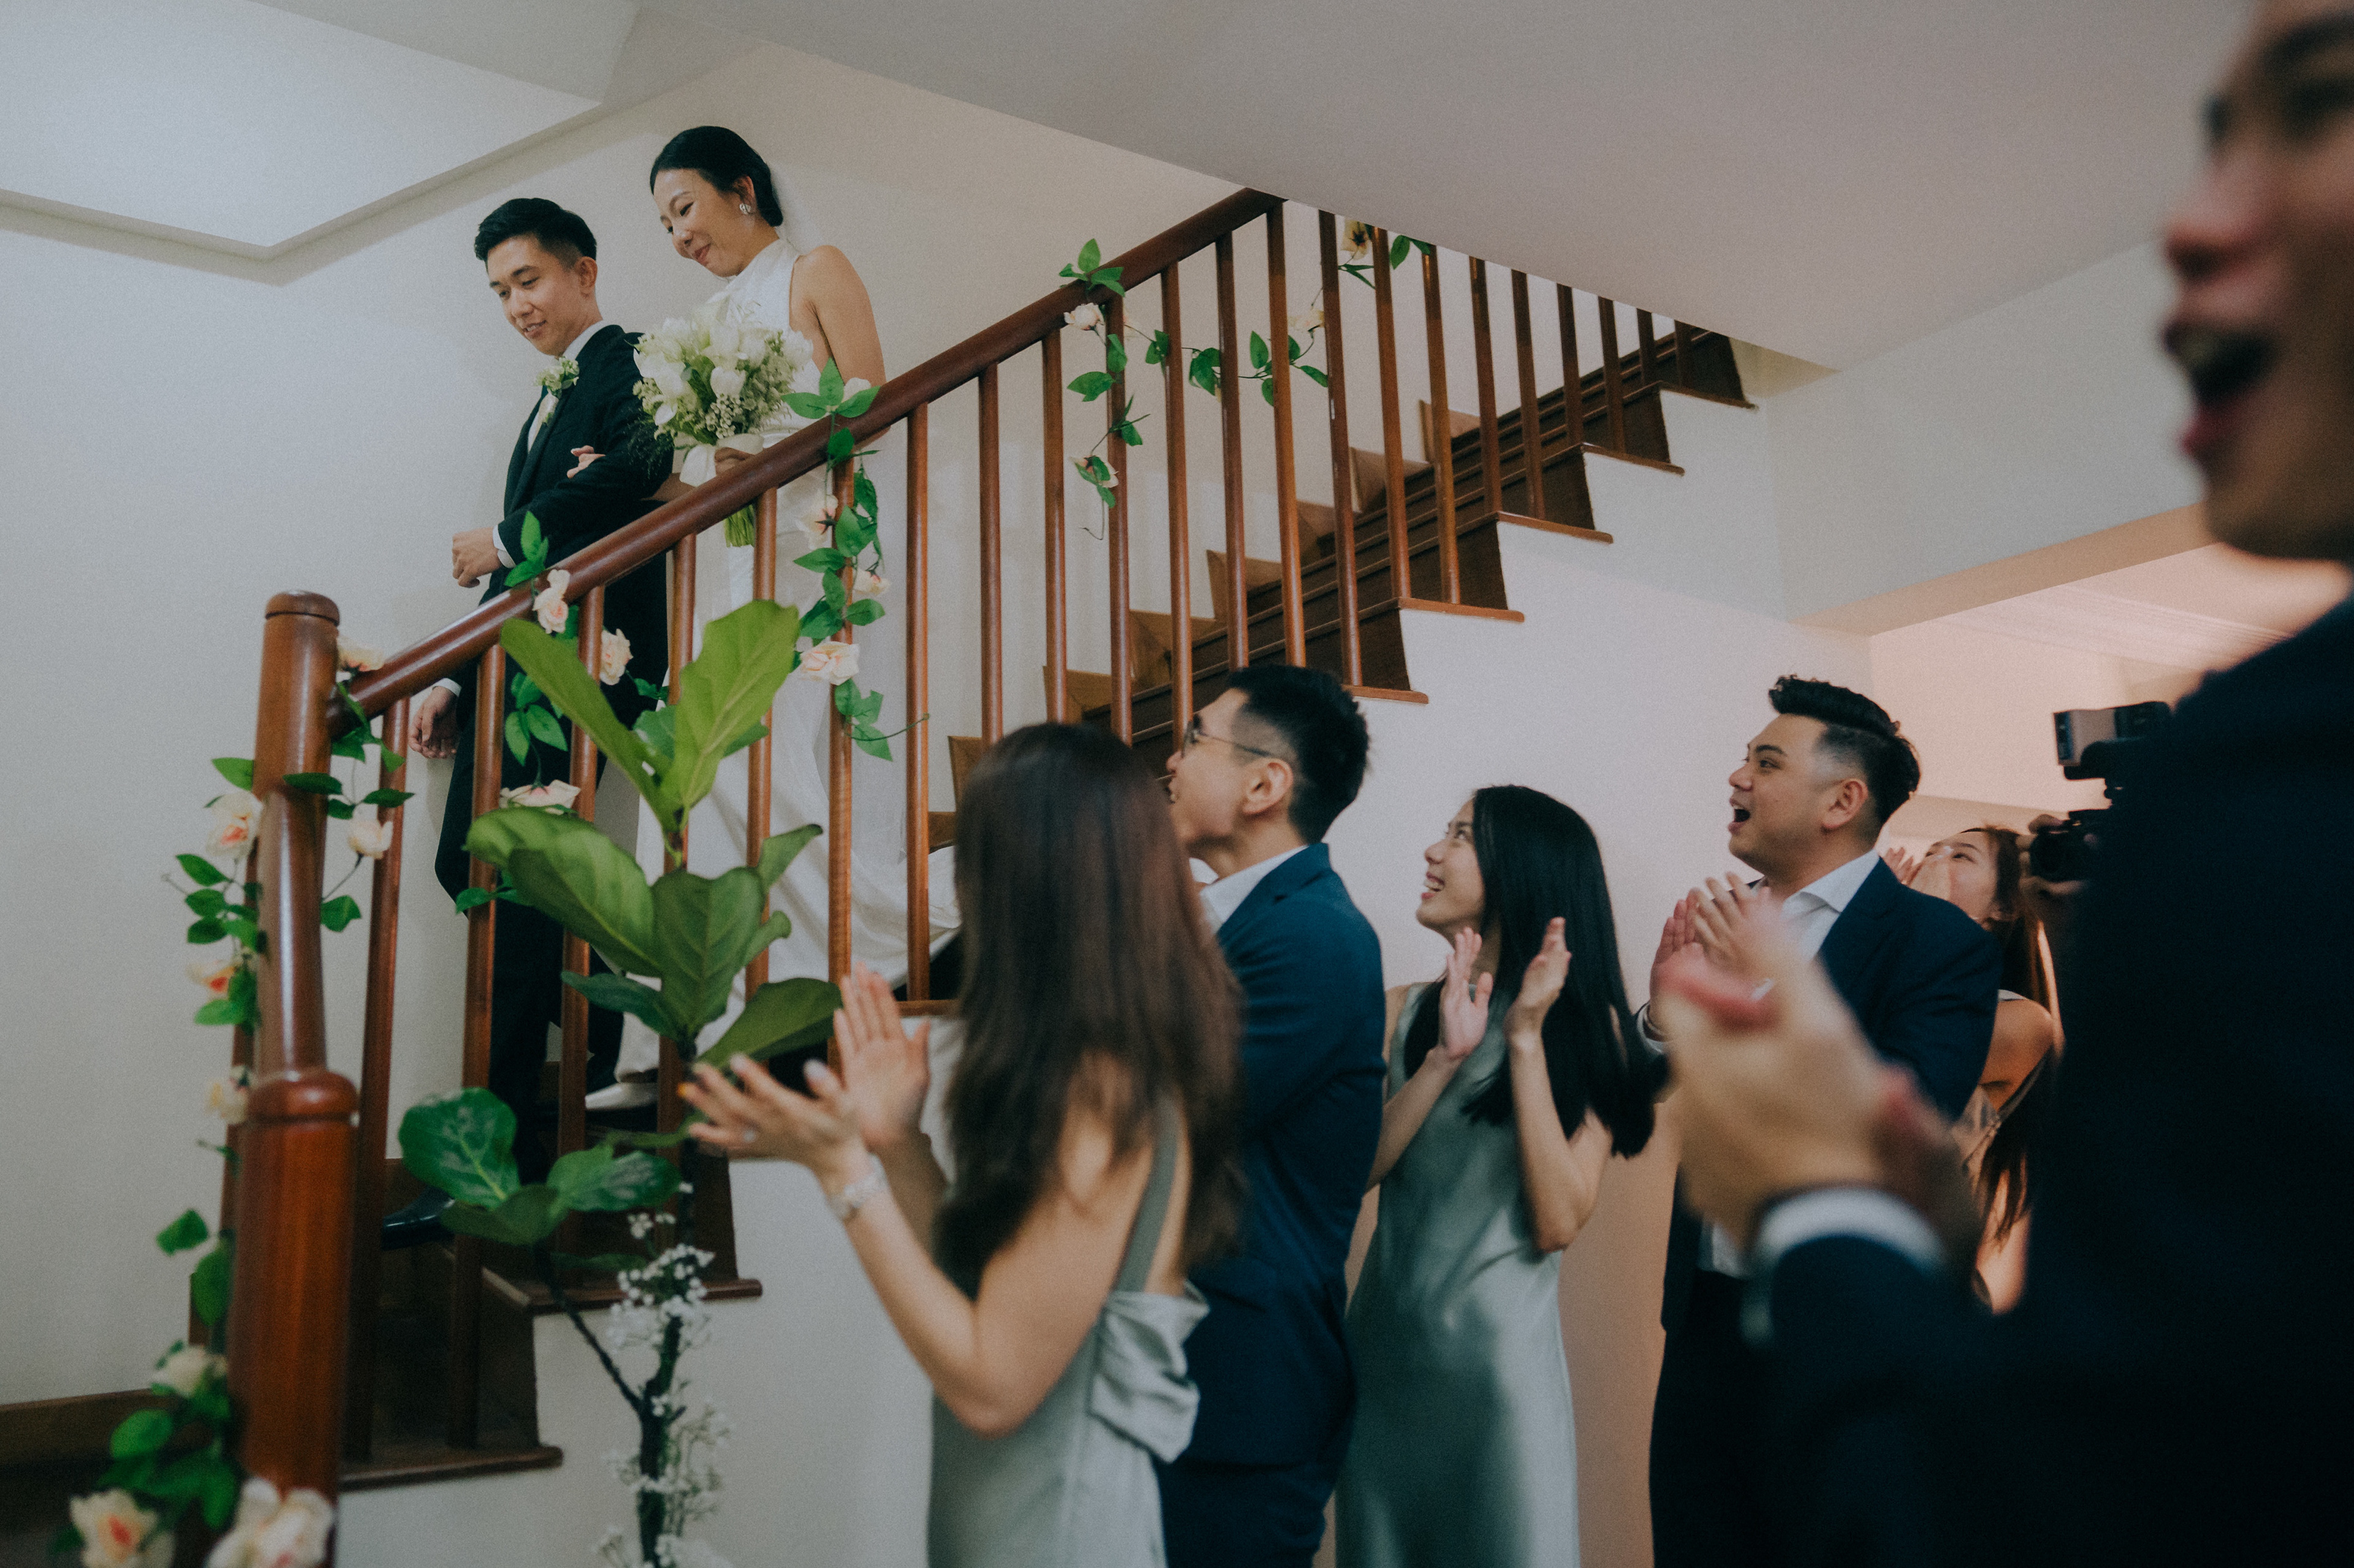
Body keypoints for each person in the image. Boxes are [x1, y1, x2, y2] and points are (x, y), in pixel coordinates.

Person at [1652, 5, 2354, 1562]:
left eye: (2312, 111)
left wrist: (1831, 1198)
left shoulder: (2263, 785)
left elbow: (2072, 1503)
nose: (2188, 224)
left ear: (1848, 799)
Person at [680, 723, 1243, 1568]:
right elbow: (988, 1287)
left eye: (974, 852)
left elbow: (992, 1387)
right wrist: (894, 1141)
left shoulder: (1103, 1088)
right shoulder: (1087, 1062)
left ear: (1024, 877)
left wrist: (844, 1175)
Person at [593, 125, 956, 1109]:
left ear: (743, 189)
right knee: (699, 764)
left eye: (684, 208)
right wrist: (632, 482)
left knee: (776, 756)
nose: (678, 235)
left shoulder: (816, 270)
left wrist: (764, 459)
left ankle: (820, 969)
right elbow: (702, 477)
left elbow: (872, 406)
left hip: (807, 548)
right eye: (665, 223)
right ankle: (687, 1030)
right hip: (727, 558)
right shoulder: (705, 320)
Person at [1642, 677, 1999, 1568]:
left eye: (1766, 762)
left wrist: (1763, 999)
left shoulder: (1938, 942)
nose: (1738, 777)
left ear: (1843, 800)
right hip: (1705, 1324)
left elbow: (1908, 1119)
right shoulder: (1728, 922)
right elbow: (1641, 1101)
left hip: (1840, 1325)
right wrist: (1661, 1019)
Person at [402, 197, 668, 1193]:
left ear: (583, 272)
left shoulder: (631, 361)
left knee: (508, 886)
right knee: (476, 870)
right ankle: (619, 1036)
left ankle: (504, 1155)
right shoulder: (549, 400)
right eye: (500, 291)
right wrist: (451, 674)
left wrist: (508, 535)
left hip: (586, 662)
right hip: (519, 664)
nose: (516, 304)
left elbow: (644, 468)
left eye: (529, 279)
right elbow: (523, 570)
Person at [1336, 787, 1664, 1568]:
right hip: (1382, 1366)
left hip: (1499, 1383)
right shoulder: (1404, 1011)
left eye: (1460, 836)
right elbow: (1354, 1172)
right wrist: (1443, 1059)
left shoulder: (1590, 1033)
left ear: (1521, 869)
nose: (1434, 851)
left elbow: (1557, 1220)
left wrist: (1523, 1041)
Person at [1157, 667, 1387, 1568]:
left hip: (1240, 1382)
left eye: (1193, 737)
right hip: (1185, 1366)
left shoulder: (1314, 936)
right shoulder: (1221, 917)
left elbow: (1164, 1112)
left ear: (1265, 784)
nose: (1171, 761)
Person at [1886, 828, 2059, 1307]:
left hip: (1918, 1282)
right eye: (1931, 850)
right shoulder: (1887, 964)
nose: (1933, 862)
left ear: (2004, 907)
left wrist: (1914, 922)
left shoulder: (2023, 1020)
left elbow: (1889, 1061)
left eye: (1960, 856)